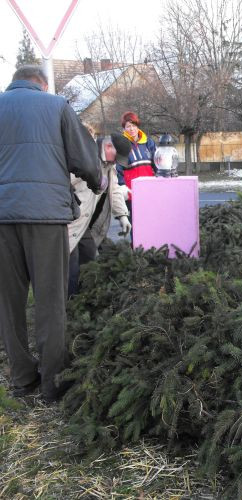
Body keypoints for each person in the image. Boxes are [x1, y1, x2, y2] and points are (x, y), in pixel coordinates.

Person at [0, 65, 105, 400]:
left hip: (2, 217)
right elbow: (85, 160)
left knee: (9, 303)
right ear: (42, 85)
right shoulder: (56, 106)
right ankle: (52, 384)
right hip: (46, 216)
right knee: (50, 301)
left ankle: (22, 380)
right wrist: (97, 181)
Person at [68, 133, 132, 296]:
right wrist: (72, 204)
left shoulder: (109, 164)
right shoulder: (85, 155)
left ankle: (84, 297)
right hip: (70, 221)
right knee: (71, 265)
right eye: (117, 157)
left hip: (85, 223)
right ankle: (70, 303)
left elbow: (115, 189)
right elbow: (64, 183)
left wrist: (123, 215)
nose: (117, 162)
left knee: (89, 254)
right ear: (108, 146)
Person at [117, 111, 156, 221]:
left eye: (133, 125)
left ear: (137, 126)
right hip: (132, 194)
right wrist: (122, 187)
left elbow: (157, 164)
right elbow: (118, 170)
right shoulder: (122, 145)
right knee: (136, 225)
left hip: (150, 191)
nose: (131, 129)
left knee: (152, 222)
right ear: (124, 129)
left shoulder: (149, 142)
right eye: (128, 126)